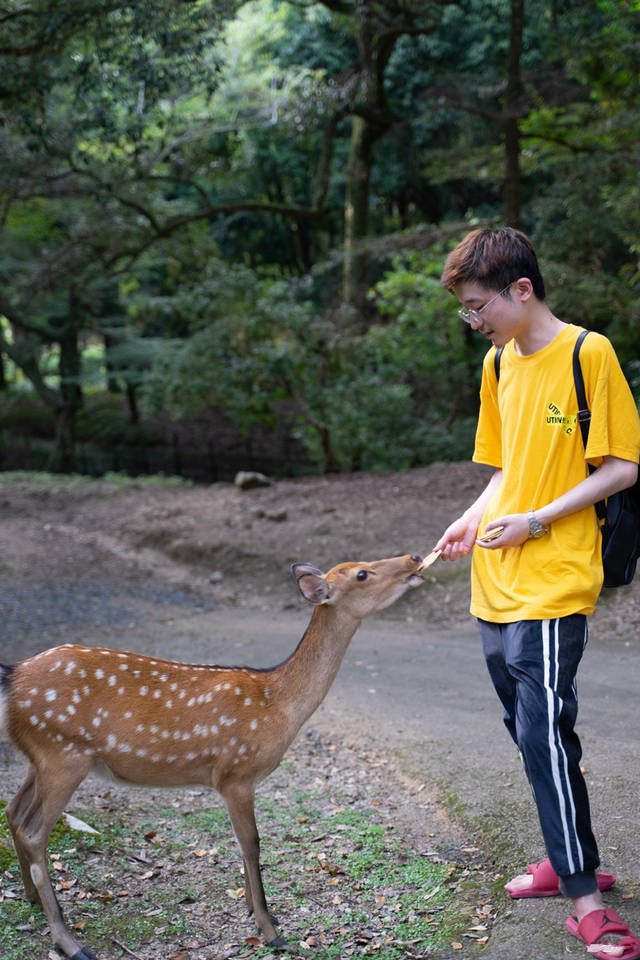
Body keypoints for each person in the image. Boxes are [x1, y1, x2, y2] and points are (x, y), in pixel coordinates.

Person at [435, 227, 640, 960]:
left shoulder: (589, 354)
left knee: (545, 731)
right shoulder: (497, 364)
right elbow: (501, 473)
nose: (474, 320)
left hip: (555, 579)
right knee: (531, 734)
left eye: (478, 305)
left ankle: (585, 897)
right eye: (466, 310)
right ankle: (566, 855)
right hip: (495, 580)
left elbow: (620, 468)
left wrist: (538, 520)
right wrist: (469, 520)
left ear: (523, 290)